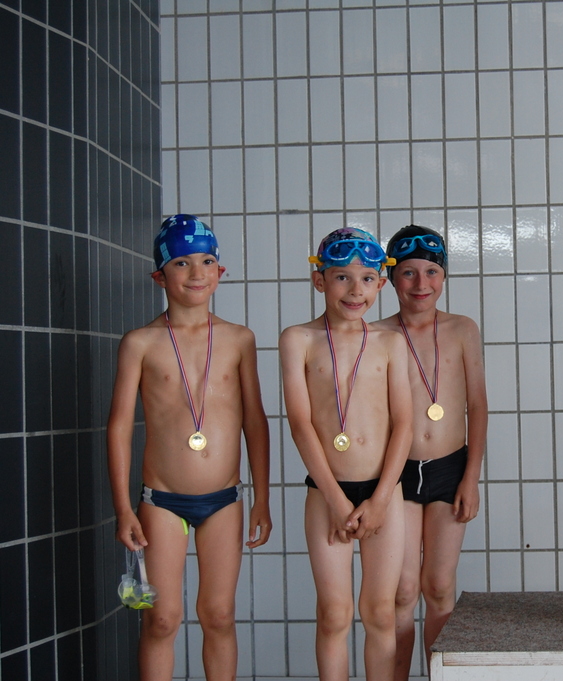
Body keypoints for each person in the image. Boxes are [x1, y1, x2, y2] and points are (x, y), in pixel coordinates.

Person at [107, 214, 272, 681]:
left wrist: (261, 498)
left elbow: (255, 422)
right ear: (160, 276)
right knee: (161, 619)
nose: (196, 273)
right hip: (161, 501)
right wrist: (123, 509)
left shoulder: (239, 339)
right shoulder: (140, 343)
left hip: (224, 500)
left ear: (220, 272)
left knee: (218, 615)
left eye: (206, 262)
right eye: (181, 263)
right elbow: (119, 427)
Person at [280, 227, 413, 681]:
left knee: (380, 611)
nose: (356, 290)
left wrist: (380, 499)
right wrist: (337, 500)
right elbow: (300, 424)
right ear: (319, 280)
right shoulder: (298, 339)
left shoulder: (391, 342)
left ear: (381, 284)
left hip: (384, 494)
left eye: (367, 279)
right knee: (334, 614)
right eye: (342, 277)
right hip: (326, 493)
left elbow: (404, 424)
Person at [373, 225, 487, 680]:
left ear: (444, 276)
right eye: (408, 272)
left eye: (432, 272)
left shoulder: (462, 329)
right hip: (395, 473)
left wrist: (471, 478)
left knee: (439, 586)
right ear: (390, 278)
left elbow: (478, 405)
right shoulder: (376, 334)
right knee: (401, 591)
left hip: (449, 469)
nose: (421, 284)